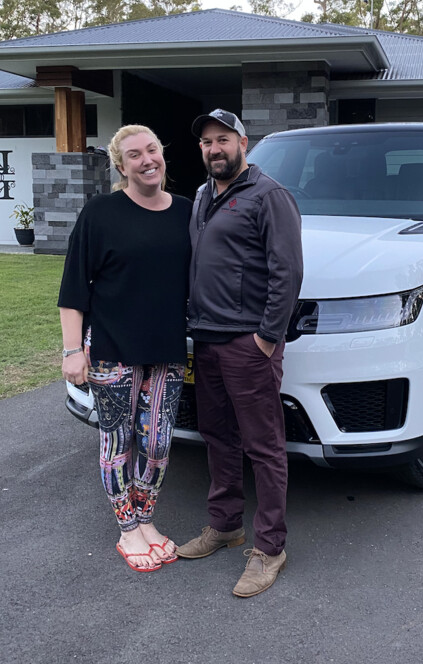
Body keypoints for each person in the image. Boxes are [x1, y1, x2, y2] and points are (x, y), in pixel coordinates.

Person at [177, 109, 303, 597]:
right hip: (205, 339)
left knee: (264, 446)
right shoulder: (204, 196)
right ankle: (225, 525)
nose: (214, 148)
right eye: (207, 141)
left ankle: (270, 547)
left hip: (248, 342)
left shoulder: (270, 196)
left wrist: (267, 338)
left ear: (243, 143)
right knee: (217, 436)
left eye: (223, 139)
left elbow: (287, 272)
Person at [58, 124, 192, 573]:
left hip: (167, 350)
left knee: (157, 441)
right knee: (119, 440)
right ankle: (127, 528)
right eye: (134, 154)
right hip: (112, 349)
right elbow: (74, 288)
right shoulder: (100, 213)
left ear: (163, 154)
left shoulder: (187, 213)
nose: (147, 159)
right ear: (121, 166)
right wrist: (71, 350)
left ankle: (146, 519)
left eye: (152, 149)